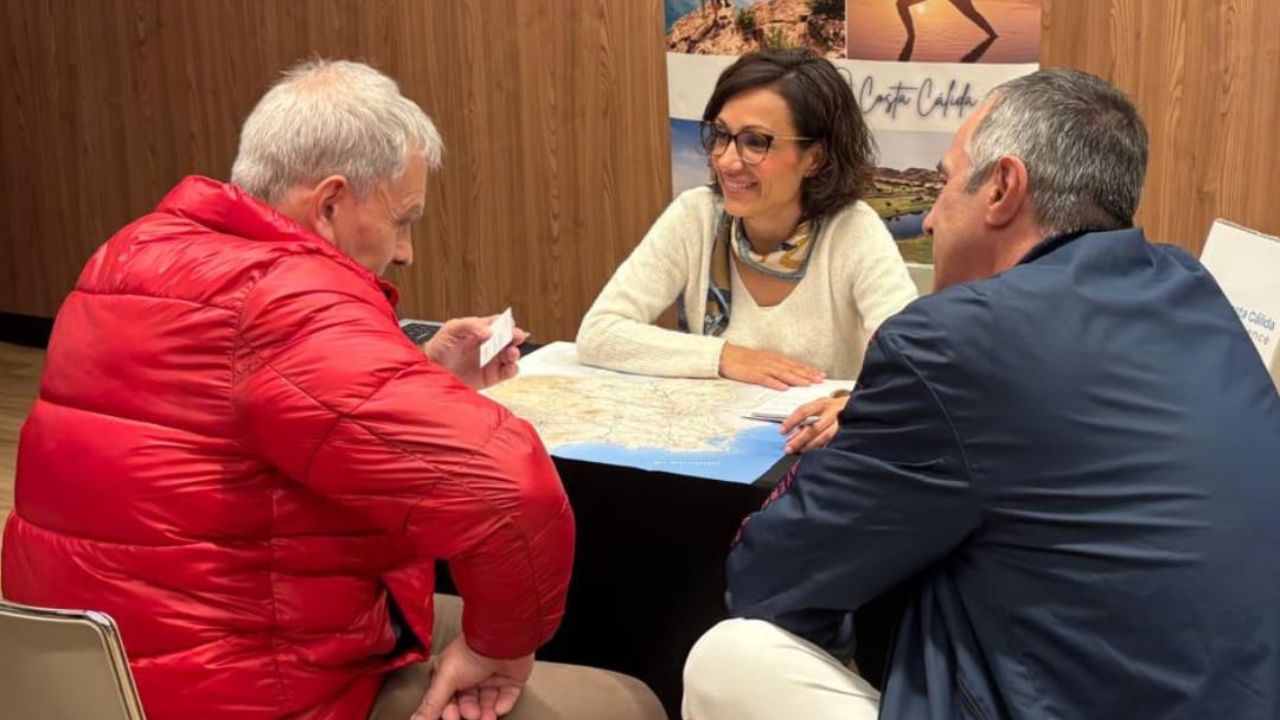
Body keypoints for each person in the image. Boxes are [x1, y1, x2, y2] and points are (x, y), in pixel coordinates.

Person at [1, 59, 664, 720]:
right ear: (328, 204)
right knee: (623, 701)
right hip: (232, 687)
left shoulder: (128, 254)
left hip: (81, 670)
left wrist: (424, 376)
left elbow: (247, 426)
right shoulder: (287, 298)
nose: (405, 252)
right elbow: (509, 495)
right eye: (403, 220)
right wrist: (501, 649)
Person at [683, 68, 1280, 720]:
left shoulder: (950, 340)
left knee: (731, 658)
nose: (930, 218)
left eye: (944, 183)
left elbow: (771, 577)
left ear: (1002, 188)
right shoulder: (1190, 288)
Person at [576, 49, 916, 451]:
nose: (727, 160)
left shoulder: (853, 229)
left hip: (816, 458)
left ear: (814, 158)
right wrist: (724, 356)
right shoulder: (696, 214)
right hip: (715, 449)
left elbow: (910, 362)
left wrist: (852, 404)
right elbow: (599, 333)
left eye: (756, 142)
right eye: (721, 135)